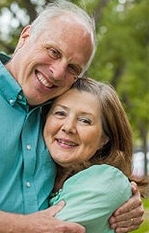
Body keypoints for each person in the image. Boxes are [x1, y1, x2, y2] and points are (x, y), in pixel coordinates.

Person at [0, 0, 144, 233]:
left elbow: (85, 179)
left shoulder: (55, 118)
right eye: (53, 52)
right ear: (25, 36)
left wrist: (123, 200)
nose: (57, 72)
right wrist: (20, 227)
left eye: (73, 68)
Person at [43, 77, 148, 233]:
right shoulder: (44, 176)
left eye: (85, 120)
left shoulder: (107, 180)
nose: (68, 127)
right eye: (60, 113)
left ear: (104, 139)